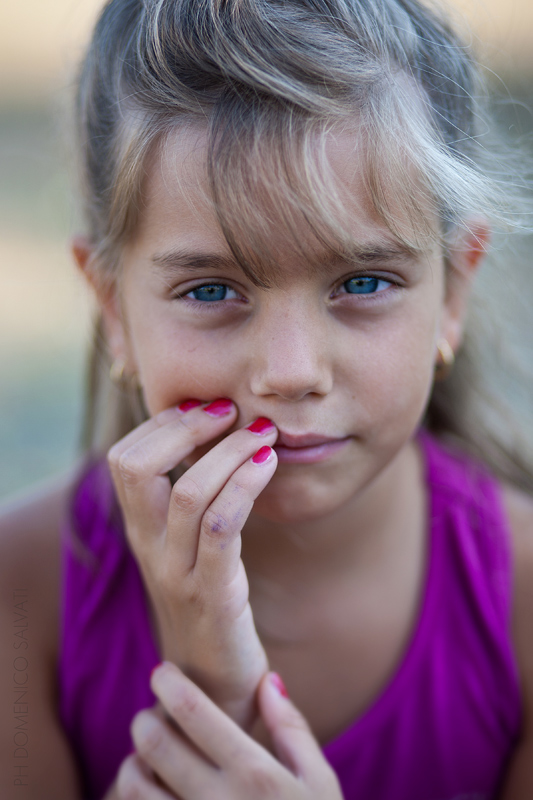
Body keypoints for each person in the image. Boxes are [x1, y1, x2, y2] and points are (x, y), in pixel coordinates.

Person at [2, 0, 533, 797]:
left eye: (363, 282)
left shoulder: (521, 602)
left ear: (452, 290)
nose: (290, 372)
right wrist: (208, 686)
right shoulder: (21, 594)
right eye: (211, 289)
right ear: (112, 306)